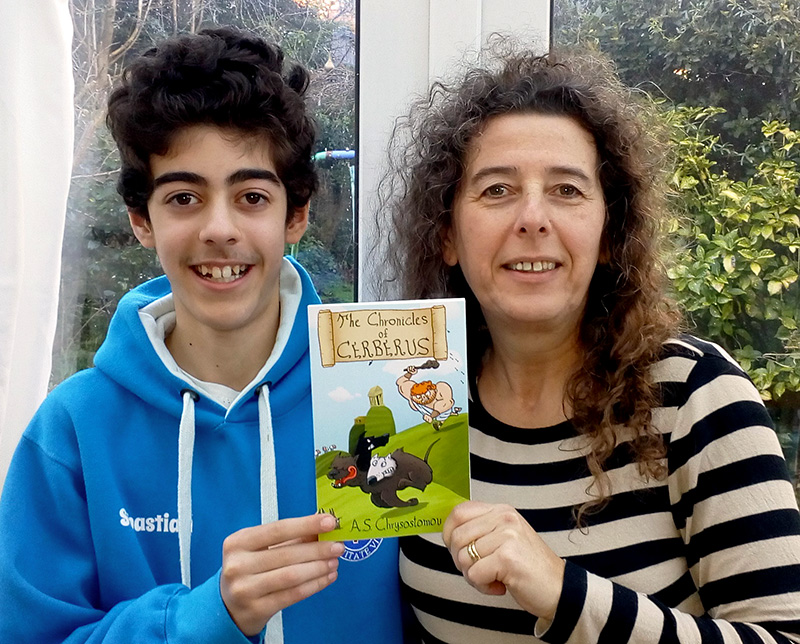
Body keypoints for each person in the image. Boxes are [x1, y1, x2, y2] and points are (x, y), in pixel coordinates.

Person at [380, 44, 800, 643]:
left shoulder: (696, 398)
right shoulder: (418, 399)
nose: (532, 218)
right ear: (446, 235)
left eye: (568, 191)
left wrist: (566, 594)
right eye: (497, 189)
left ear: (609, 234)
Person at [0, 27, 403, 643]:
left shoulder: (383, 393)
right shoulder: (73, 431)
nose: (219, 228)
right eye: (184, 197)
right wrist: (201, 620)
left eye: (250, 196)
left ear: (295, 216)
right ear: (142, 221)